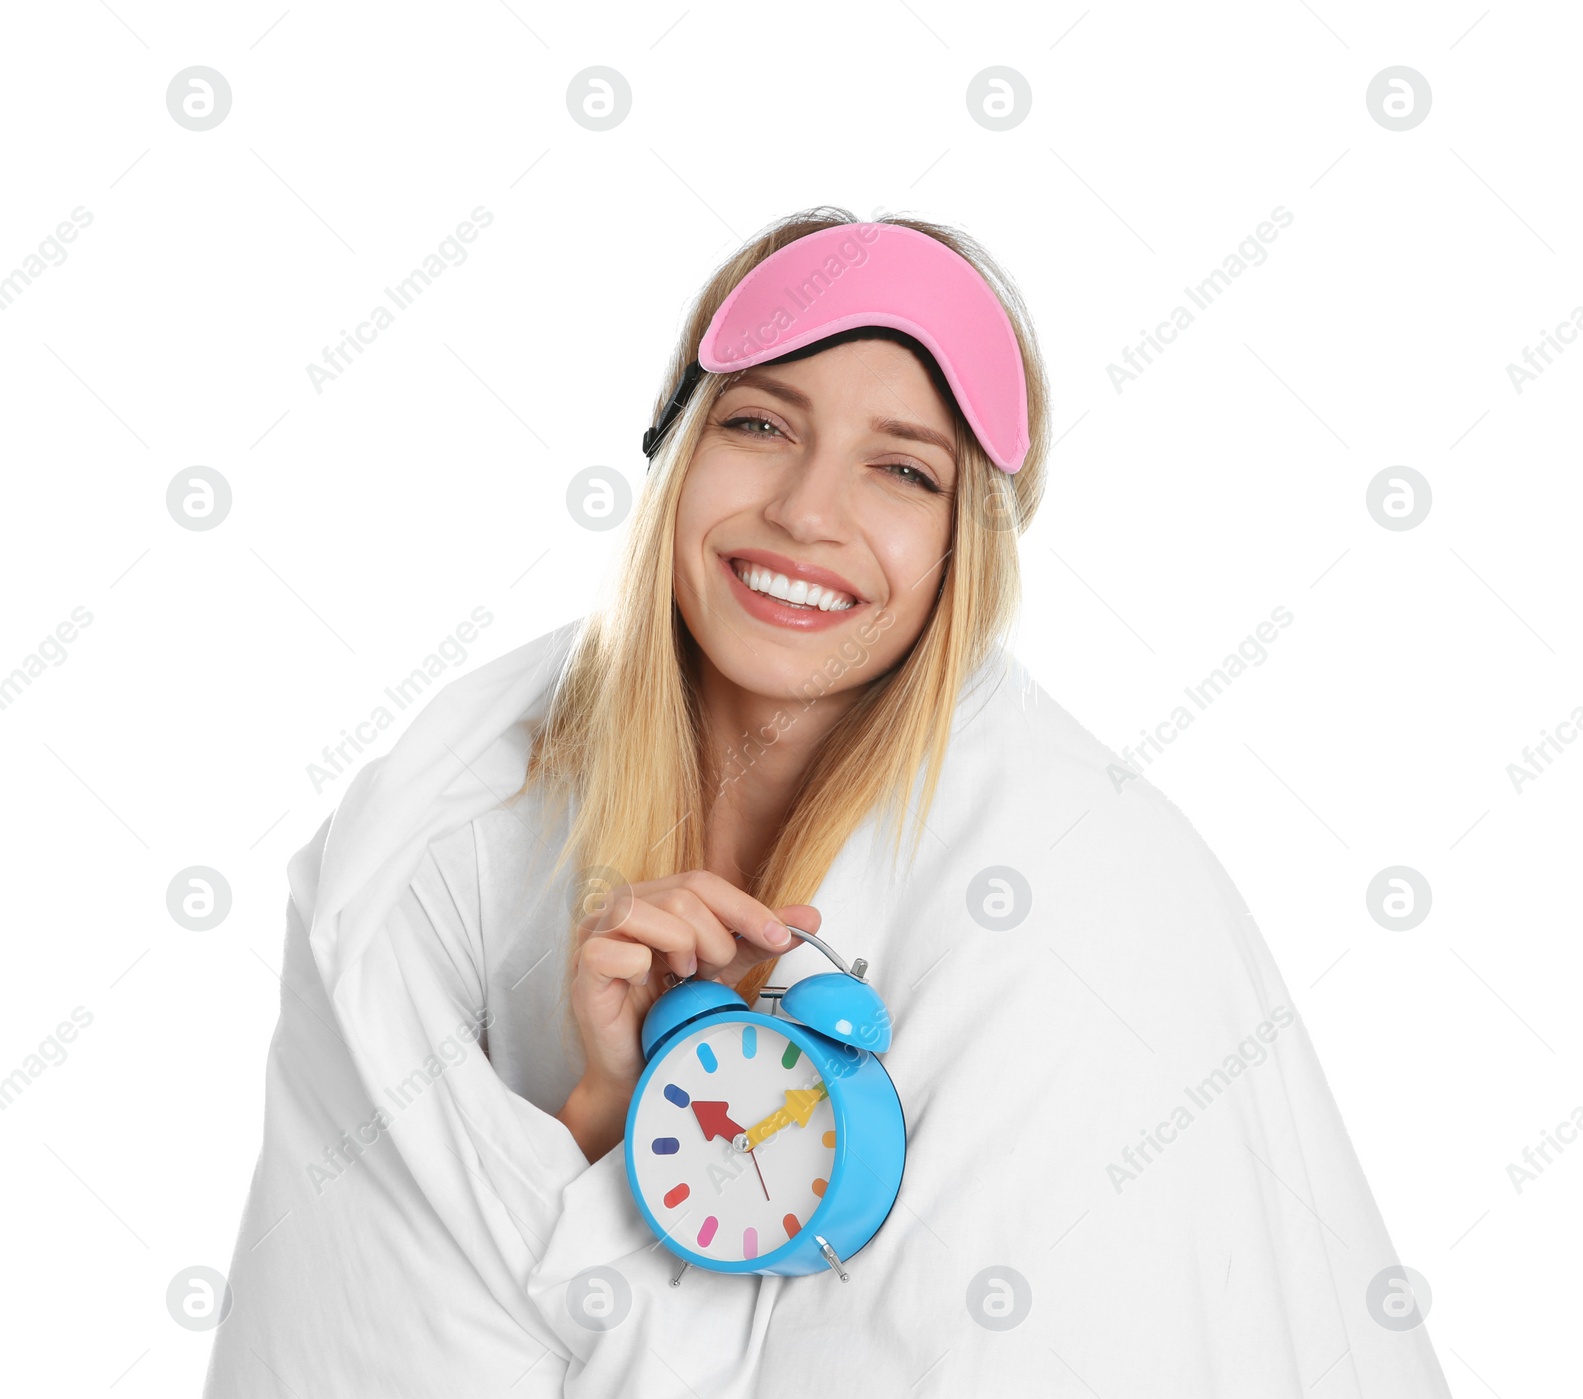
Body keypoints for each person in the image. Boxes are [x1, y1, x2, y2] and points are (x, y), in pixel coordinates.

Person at [204, 208, 1452, 1398]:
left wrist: (604, 1230)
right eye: (759, 425)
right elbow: (361, 1334)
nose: (806, 512)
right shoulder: (438, 834)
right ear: (672, 454)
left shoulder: (1078, 907)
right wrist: (596, 1121)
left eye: (902, 470)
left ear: (971, 547)